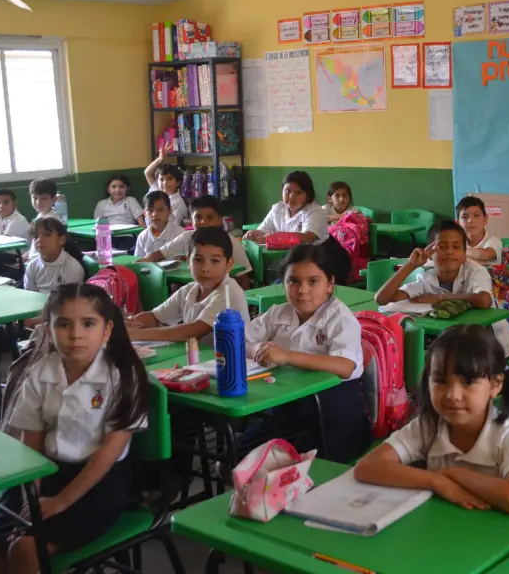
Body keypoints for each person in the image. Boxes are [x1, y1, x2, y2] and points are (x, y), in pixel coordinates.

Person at [0, 284, 148, 574]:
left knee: (25, 549)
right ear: (49, 329)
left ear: (106, 331)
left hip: (99, 482)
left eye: (88, 324)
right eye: (63, 324)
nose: (76, 334)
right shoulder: (42, 371)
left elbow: (110, 452)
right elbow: (31, 442)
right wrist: (32, 493)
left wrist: (62, 500)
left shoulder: (123, 375)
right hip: (45, 471)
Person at [355, 325, 509, 515]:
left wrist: (455, 474)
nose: (453, 395)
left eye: (468, 382)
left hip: (506, 536)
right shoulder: (429, 425)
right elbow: (367, 467)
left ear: (495, 385)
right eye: (441, 381)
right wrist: (435, 481)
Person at [241, 244, 371, 462]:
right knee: (237, 455)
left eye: (313, 281)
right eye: (293, 281)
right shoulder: (278, 313)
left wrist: (286, 356)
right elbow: (240, 340)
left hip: (331, 416)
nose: (302, 290)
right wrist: (259, 350)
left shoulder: (340, 318)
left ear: (330, 284)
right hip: (287, 409)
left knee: (281, 465)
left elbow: (345, 366)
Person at [375, 220, 509, 358]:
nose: (449, 252)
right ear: (429, 253)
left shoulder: (476, 271)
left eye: (456, 247)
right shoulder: (426, 278)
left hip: (488, 343)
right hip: (451, 343)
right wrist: (410, 265)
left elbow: (484, 300)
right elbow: (382, 299)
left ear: (465, 253)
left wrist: (440, 298)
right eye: (442, 246)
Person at [127, 227, 246, 344]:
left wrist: (136, 334)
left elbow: (194, 331)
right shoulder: (189, 290)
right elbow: (155, 317)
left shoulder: (229, 292)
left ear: (229, 264)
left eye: (214, 261)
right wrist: (129, 324)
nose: (205, 268)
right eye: (198, 260)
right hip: (203, 359)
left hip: (236, 360)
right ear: (188, 261)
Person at [139, 195, 252, 281]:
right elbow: (159, 254)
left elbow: (243, 278)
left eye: (209, 217)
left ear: (220, 220)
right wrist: (145, 260)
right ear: (191, 220)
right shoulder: (187, 237)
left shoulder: (231, 242)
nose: (203, 222)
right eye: (198, 217)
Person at [243, 170, 329, 246]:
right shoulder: (278, 208)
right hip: (285, 258)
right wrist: (254, 234)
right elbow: (263, 230)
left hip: (311, 259)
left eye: (298, 193)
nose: (291, 197)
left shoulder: (315, 211)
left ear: (308, 196)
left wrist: (275, 238)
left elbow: (308, 237)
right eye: (287, 191)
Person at [24, 218, 85, 295]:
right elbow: (29, 295)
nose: (39, 240)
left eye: (47, 235)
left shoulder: (72, 267)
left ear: (61, 240)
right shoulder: (32, 266)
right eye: (36, 237)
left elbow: (68, 302)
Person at [143, 146, 189, 228]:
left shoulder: (178, 203)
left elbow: (172, 226)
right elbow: (147, 173)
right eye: (161, 179)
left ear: (177, 183)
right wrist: (160, 159)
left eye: (169, 179)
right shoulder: (156, 191)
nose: (165, 183)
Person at [133, 191, 182, 258]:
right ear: (144, 213)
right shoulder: (142, 236)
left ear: (169, 211)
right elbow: (139, 262)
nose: (155, 214)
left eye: (160, 210)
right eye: (150, 210)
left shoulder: (180, 233)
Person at [455, 196, 502, 265]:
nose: (470, 220)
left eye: (476, 215)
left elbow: (484, 255)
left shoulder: (494, 241)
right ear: (458, 223)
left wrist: (458, 253)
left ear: (485, 219)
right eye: (465, 217)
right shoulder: (456, 242)